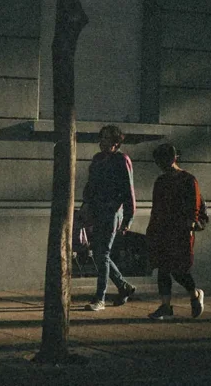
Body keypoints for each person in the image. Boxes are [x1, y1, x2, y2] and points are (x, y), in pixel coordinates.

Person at [80, 125, 137, 311]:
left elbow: (129, 191)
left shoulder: (122, 160)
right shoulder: (97, 159)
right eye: (101, 137)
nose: (101, 141)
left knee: (102, 253)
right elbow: (90, 185)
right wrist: (86, 204)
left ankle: (100, 297)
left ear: (115, 142)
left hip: (111, 212)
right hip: (96, 211)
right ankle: (123, 286)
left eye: (105, 138)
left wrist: (128, 219)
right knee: (98, 253)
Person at [145, 143, 205, 320]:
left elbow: (194, 205)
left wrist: (190, 225)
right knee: (163, 268)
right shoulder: (161, 181)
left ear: (173, 158)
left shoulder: (188, 179)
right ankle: (165, 305)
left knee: (179, 269)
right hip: (163, 229)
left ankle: (194, 294)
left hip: (180, 230)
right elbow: (156, 208)